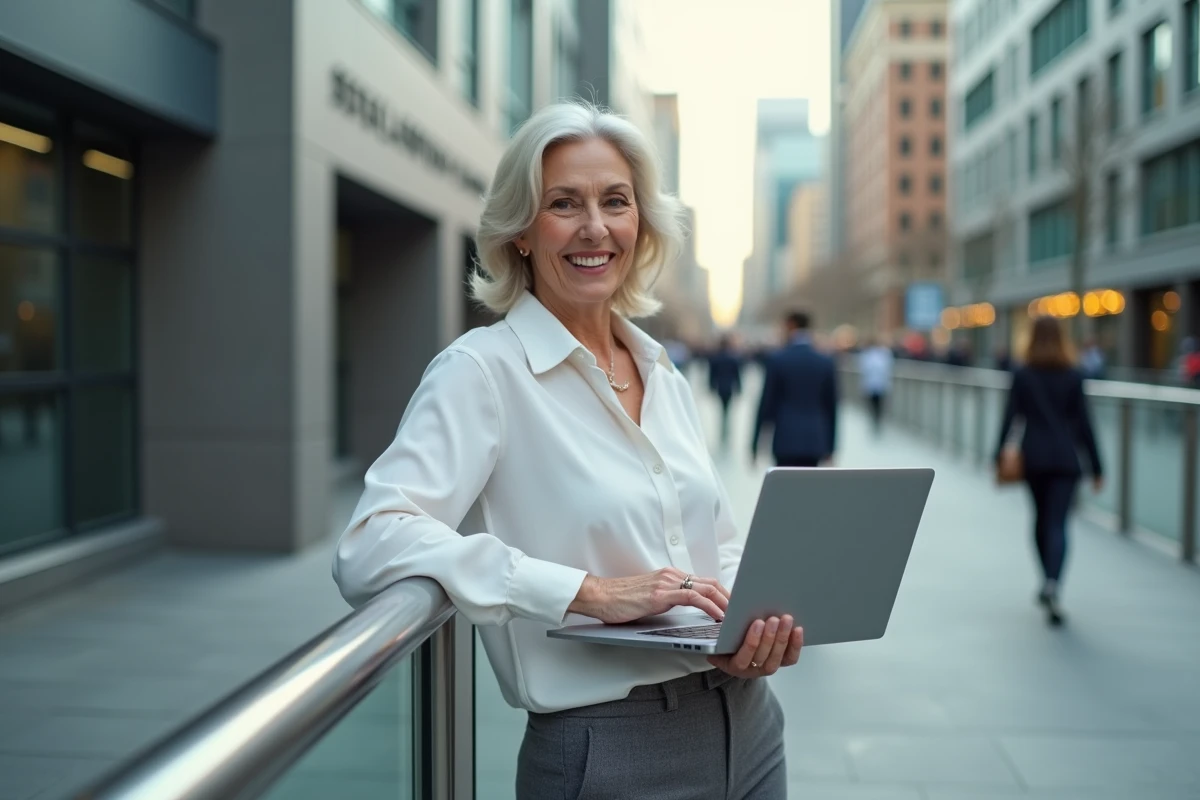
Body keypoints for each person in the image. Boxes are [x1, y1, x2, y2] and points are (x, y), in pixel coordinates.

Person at [332, 101, 801, 799]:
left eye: (616, 202)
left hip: (750, 726)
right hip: (606, 750)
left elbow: (716, 540)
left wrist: (750, 622)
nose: (595, 228)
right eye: (564, 203)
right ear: (521, 230)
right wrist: (583, 592)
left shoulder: (659, 369)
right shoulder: (482, 371)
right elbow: (370, 543)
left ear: (639, 224)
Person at [994, 316, 1103, 628]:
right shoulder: (1073, 374)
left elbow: (1010, 418)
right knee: (1058, 522)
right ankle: (1053, 582)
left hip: (1035, 457)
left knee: (1041, 519)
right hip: (1066, 460)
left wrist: (996, 456)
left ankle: (1047, 579)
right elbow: (1084, 424)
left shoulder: (1024, 374)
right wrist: (1097, 466)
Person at [751, 311, 839, 468]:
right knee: (810, 489)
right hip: (815, 440)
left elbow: (766, 404)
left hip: (785, 439)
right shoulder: (825, 361)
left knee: (786, 489)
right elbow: (831, 407)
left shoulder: (778, 359)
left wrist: (755, 444)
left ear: (791, 325)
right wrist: (831, 447)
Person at [707, 334, 743, 447]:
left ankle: (724, 425)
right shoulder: (732, 358)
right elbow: (737, 375)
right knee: (727, 407)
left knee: (723, 407)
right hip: (729, 387)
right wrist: (739, 387)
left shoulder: (715, 358)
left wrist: (711, 386)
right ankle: (726, 424)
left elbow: (711, 375)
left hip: (720, 387)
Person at [858, 338, 894, 436]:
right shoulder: (869, 355)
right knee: (875, 405)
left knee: (877, 405)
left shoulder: (882, 354)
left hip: (879, 385)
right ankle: (875, 422)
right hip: (873, 385)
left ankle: (877, 422)